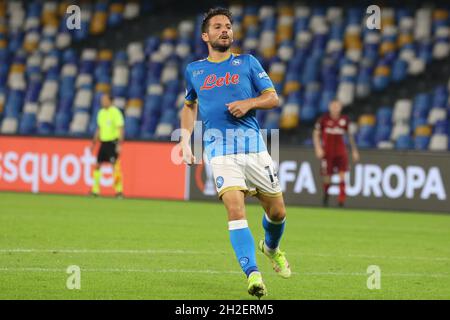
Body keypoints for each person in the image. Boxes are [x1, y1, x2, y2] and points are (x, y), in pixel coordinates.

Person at [179, 7, 291, 299]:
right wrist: (184, 140)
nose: (225, 30)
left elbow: (273, 98)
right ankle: (253, 274)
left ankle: (271, 248)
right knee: (235, 208)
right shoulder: (195, 70)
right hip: (220, 150)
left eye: (228, 25)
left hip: (255, 150)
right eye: (217, 26)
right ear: (205, 35)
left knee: (277, 213)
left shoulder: (248, 63)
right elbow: (190, 105)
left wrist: (249, 103)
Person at [313, 100, 360, 207]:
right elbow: (316, 134)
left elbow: (350, 136)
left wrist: (354, 151)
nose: (335, 108)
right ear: (329, 107)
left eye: (337, 106)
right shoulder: (323, 119)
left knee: (342, 176)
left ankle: (341, 201)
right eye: (333, 106)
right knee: (327, 178)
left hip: (341, 152)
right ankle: (326, 196)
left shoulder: (345, 120)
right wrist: (318, 148)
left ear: (340, 108)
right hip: (327, 152)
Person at [90, 93, 124, 198]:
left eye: (104, 100)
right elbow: (99, 129)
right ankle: (95, 191)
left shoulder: (116, 112)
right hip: (103, 143)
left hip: (113, 142)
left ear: (110, 101)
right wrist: (93, 143)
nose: (102, 102)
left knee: (115, 167)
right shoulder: (101, 113)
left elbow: (120, 128)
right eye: (102, 100)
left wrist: (119, 144)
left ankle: (119, 191)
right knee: (97, 165)